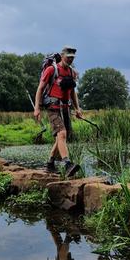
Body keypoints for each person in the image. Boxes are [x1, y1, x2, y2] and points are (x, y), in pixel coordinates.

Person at [34, 46, 84, 176]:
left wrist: (77, 109)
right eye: (68, 57)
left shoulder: (72, 73)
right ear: (62, 56)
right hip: (53, 108)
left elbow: (73, 93)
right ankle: (67, 164)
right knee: (62, 134)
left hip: (65, 109)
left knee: (60, 138)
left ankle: (50, 163)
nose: (70, 60)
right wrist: (37, 108)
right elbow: (40, 88)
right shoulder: (52, 70)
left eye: (72, 58)